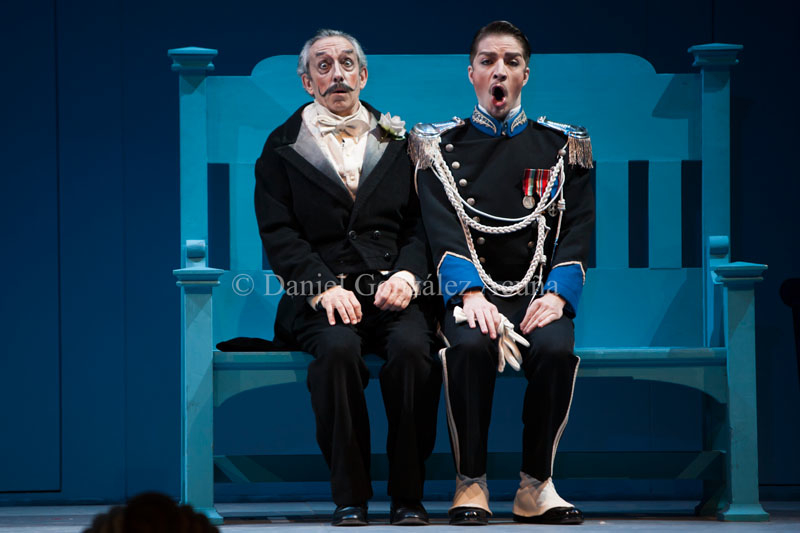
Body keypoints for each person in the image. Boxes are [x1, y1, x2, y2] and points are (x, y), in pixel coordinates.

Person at [411, 20, 594, 526]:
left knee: (555, 350)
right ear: (471, 73)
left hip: (536, 294)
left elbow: (577, 229)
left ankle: (536, 486)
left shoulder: (562, 146)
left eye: (511, 62)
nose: (499, 71)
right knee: (469, 348)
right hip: (471, 296)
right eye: (488, 61)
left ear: (525, 75)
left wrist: (558, 295)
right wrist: (469, 294)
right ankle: (470, 482)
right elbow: (441, 231)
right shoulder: (437, 147)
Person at [254, 29, 440, 527]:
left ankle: (408, 496)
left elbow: (423, 224)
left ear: (363, 75)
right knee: (337, 354)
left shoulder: (402, 141)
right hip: (323, 296)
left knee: (413, 352)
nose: (337, 74)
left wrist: (408, 274)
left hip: (394, 291)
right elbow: (279, 233)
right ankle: (350, 497)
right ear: (307, 82)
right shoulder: (281, 147)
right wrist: (320, 286)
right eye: (323, 65)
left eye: (346, 63)